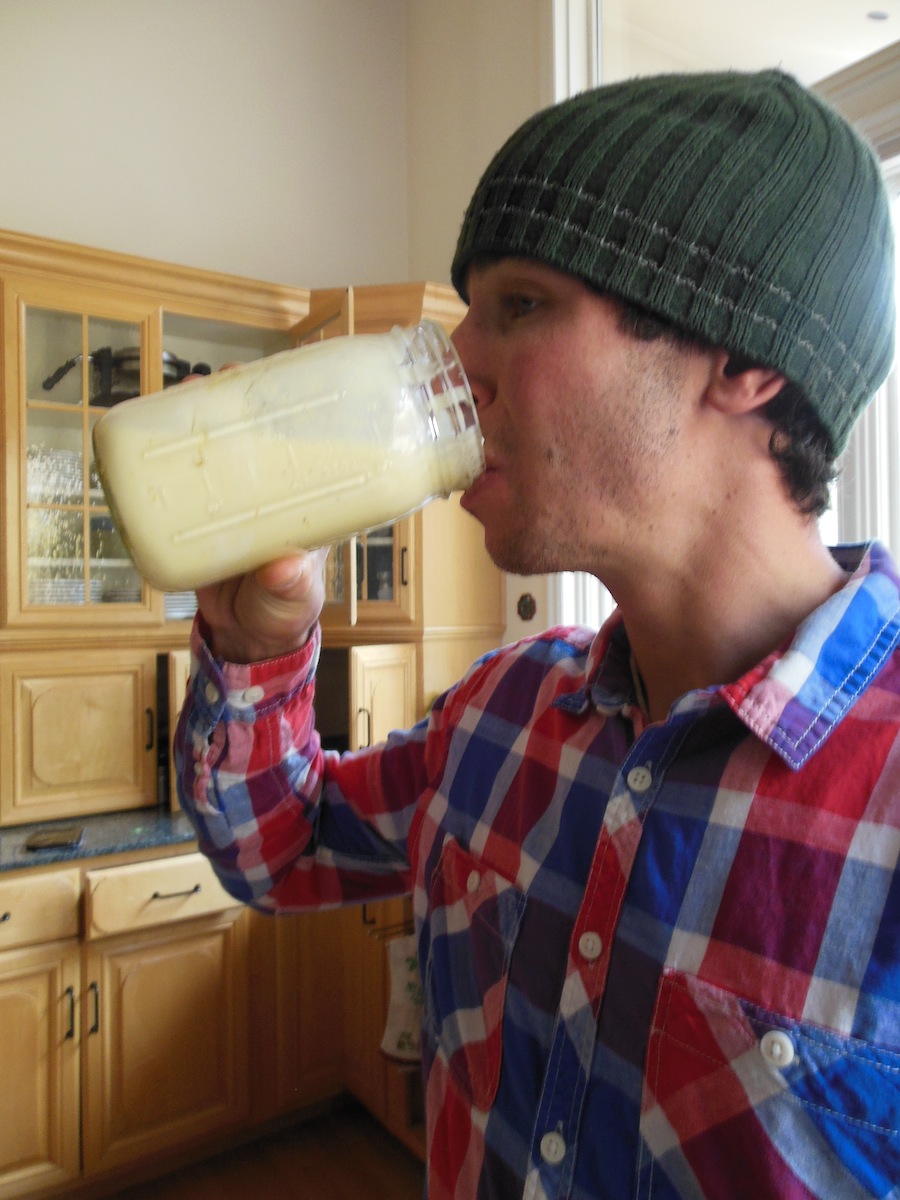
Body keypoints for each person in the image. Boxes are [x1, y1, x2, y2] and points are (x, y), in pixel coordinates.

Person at [175, 68, 898, 1200]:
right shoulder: (503, 714)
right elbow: (280, 844)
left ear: (746, 357)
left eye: (520, 306)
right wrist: (264, 637)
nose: (456, 363)